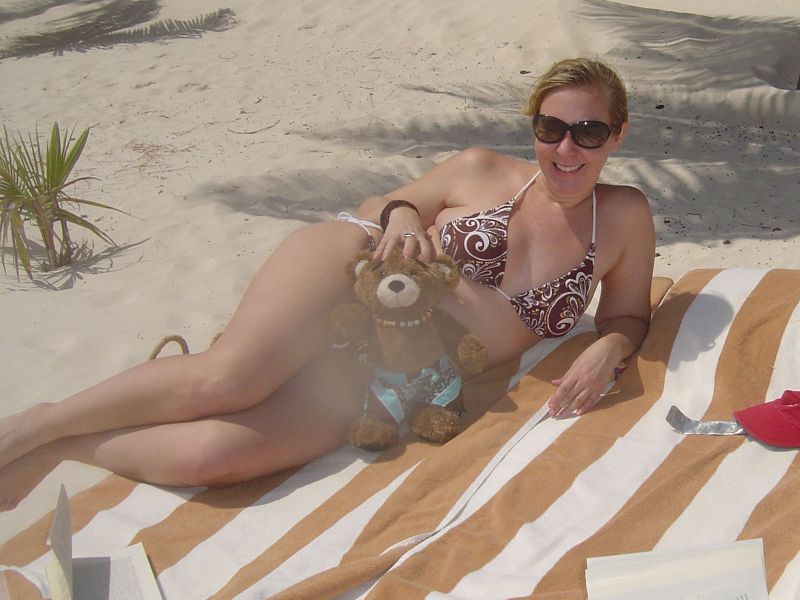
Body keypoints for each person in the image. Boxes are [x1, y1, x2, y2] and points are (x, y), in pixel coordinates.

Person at [0, 57, 655, 511]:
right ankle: (39, 424)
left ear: (618, 135)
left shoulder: (623, 218)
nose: (566, 149)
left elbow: (628, 316)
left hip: (390, 373)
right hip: (349, 276)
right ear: (535, 128)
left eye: (588, 132)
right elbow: (384, 204)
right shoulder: (481, 169)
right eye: (550, 129)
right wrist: (404, 217)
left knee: (214, 456)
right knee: (229, 380)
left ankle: (71, 445)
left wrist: (610, 346)